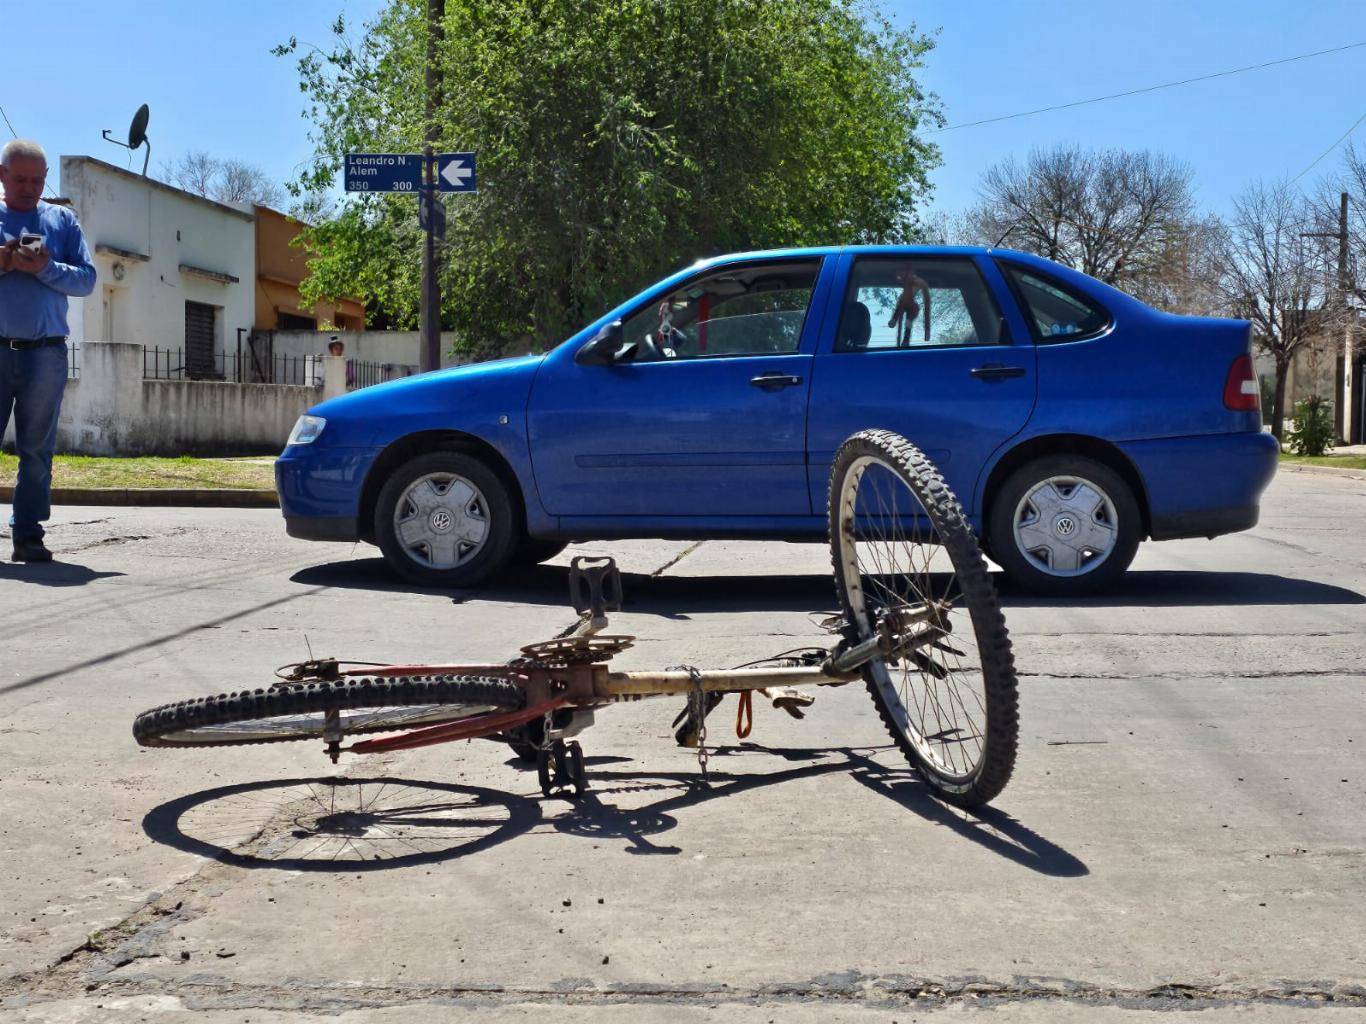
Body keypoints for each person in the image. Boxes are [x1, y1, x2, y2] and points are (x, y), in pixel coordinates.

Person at [0, 140, 96, 562]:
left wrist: (45, 268)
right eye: (20, 179)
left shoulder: (62, 221)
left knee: (37, 448)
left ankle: (29, 534)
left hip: (46, 353)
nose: (29, 188)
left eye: (37, 180)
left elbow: (87, 281)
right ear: (2, 175)